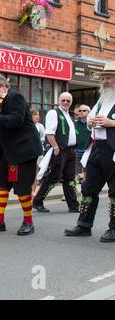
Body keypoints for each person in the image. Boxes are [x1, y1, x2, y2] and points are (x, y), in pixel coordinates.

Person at [0, 74, 42, 235]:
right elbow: (0, 125)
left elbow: (16, 120)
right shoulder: (0, 103)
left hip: (24, 150)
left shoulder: (16, 97)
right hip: (9, 150)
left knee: (22, 188)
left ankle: (29, 222)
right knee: (0, 184)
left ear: (3, 86)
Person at [64, 62, 115, 242]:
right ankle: (84, 225)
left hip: (113, 149)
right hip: (97, 148)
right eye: (103, 78)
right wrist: (90, 123)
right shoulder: (101, 101)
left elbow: (109, 123)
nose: (105, 81)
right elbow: (89, 120)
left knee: (114, 191)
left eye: (108, 78)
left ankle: (114, 228)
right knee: (88, 188)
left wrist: (111, 123)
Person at [33, 92, 79, 213]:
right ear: (58, 101)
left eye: (68, 101)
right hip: (60, 149)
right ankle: (37, 201)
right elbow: (49, 132)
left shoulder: (68, 115)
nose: (65, 102)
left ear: (71, 102)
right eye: (63, 100)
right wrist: (55, 147)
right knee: (54, 176)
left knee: (70, 178)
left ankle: (73, 205)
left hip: (70, 150)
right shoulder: (54, 113)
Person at [74, 104, 92, 184]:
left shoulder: (91, 124)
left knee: (87, 171)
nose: (81, 112)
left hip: (88, 150)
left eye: (84, 111)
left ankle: (86, 187)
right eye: (80, 111)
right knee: (76, 171)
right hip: (77, 150)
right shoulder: (74, 124)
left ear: (89, 112)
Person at [32, 109, 45, 195]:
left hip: (38, 150)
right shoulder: (27, 125)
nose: (37, 116)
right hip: (28, 152)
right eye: (35, 114)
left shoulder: (40, 126)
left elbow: (44, 137)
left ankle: (33, 190)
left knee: (36, 172)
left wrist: (37, 140)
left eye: (38, 114)